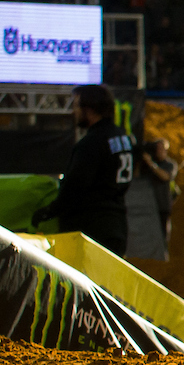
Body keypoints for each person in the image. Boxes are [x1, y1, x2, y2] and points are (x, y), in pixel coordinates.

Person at [44, 84, 136, 255]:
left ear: (89, 109)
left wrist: (49, 212)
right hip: (117, 227)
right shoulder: (123, 138)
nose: (74, 112)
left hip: (92, 231)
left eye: (76, 106)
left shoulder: (91, 143)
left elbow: (74, 187)